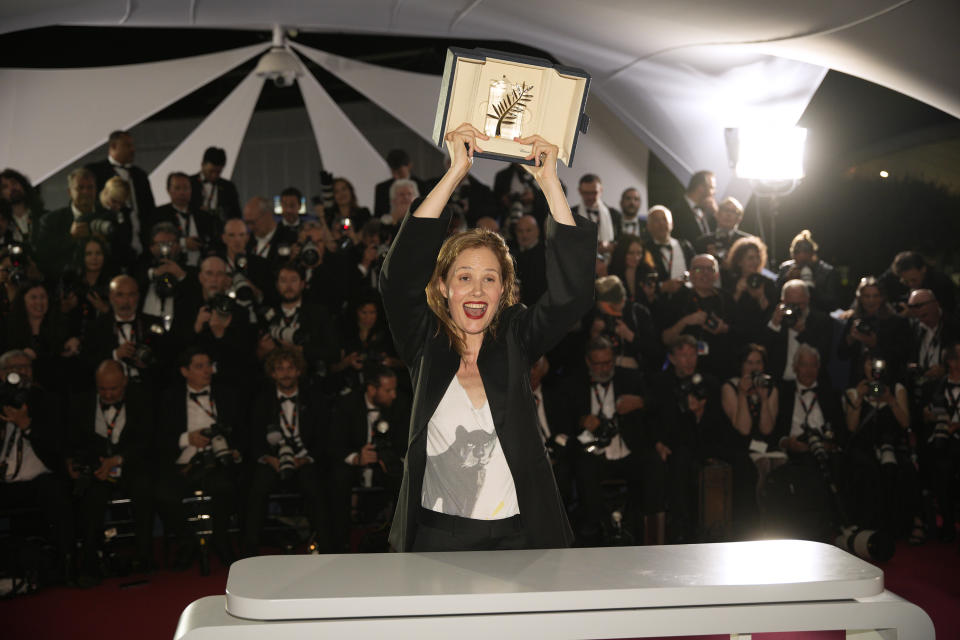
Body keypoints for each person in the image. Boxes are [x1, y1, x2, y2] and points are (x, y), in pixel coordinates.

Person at [379, 123, 597, 552]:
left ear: (504, 291)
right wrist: (455, 171)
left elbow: (572, 296)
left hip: (517, 536)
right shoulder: (423, 340)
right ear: (443, 286)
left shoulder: (516, 337)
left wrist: (550, 183)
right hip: (436, 537)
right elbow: (397, 278)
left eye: (489, 279)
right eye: (464, 277)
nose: (476, 290)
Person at [66, 360, 155, 582]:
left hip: (130, 465)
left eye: (113, 388)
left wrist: (118, 459)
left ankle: (144, 556)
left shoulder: (142, 399)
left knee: (144, 490)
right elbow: (74, 440)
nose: (108, 394)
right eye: (102, 389)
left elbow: (147, 442)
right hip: (97, 467)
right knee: (89, 498)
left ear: (124, 382)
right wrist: (94, 464)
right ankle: (90, 561)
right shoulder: (81, 403)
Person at [242, 346, 332, 556]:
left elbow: (323, 436)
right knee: (256, 489)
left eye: (290, 368)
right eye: (280, 369)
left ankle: (327, 548)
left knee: (317, 489)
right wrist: (268, 458)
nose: (286, 373)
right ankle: (249, 550)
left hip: (303, 459)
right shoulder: (262, 400)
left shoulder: (314, 399)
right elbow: (253, 437)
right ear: (272, 373)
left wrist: (306, 458)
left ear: (299, 370)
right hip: (272, 460)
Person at [86, 130, 155, 255]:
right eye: (127, 145)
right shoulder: (95, 172)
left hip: (141, 242)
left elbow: (149, 209)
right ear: (113, 146)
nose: (132, 149)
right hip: (110, 242)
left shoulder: (140, 175)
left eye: (132, 145)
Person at [761, 279, 834, 383]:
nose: (796, 309)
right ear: (783, 301)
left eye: (800, 304)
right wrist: (774, 325)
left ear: (808, 299)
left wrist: (802, 332)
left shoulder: (822, 320)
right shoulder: (774, 316)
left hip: (811, 383)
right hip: (780, 382)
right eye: (791, 304)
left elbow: (824, 355)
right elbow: (762, 352)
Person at [722, 236, 776, 339]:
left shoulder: (768, 283)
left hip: (762, 337)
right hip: (735, 338)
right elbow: (726, 315)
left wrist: (761, 297)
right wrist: (737, 292)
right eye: (750, 258)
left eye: (757, 257)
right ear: (739, 261)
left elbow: (772, 317)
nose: (755, 262)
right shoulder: (730, 283)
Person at [776, 230, 842, 313]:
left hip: (817, 317)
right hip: (789, 313)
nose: (801, 255)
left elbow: (833, 304)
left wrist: (812, 289)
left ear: (812, 254)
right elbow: (774, 298)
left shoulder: (828, 272)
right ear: (793, 254)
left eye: (805, 253)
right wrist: (786, 280)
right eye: (797, 253)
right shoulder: (786, 269)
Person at [189, 146, 241, 222]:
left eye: (218, 172)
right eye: (211, 171)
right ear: (202, 165)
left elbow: (236, 214)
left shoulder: (228, 187)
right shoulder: (189, 183)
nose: (214, 176)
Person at [571, 173, 621, 250]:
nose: (590, 197)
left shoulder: (614, 214)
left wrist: (609, 246)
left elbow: (619, 241)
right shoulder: (571, 214)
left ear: (601, 190)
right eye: (586, 193)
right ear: (580, 191)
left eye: (594, 193)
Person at [695, 196, 750, 260]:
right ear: (717, 214)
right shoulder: (703, 241)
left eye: (733, 211)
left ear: (739, 219)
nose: (728, 214)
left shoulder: (746, 243)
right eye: (725, 210)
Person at [670, 170, 715, 244]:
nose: (714, 192)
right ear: (701, 187)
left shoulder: (705, 211)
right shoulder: (675, 211)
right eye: (712, 188)